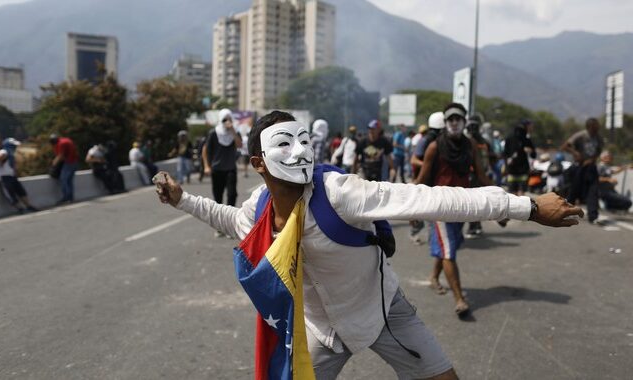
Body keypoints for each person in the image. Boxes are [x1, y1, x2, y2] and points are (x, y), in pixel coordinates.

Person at [155, 110, 582, 380]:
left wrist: (526, 205)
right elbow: (233, 222)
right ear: (258, 164)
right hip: (319, 332)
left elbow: (430, 198)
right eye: (285, 144)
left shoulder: (340, 191)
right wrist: (182, 199)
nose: (300, 150)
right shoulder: (260, 207)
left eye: (304, 140)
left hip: (381, 312)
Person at [415, 103, 493, 316]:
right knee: (449, 251)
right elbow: (422, 179)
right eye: (451, 119)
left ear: (464, 122)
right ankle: (459, 299)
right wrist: (411, 208)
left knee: (449, 246)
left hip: (462, 206)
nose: (455, 123)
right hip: (440, 206)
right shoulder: (434, 147)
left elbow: (481, 175)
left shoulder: (470, 146)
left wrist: (502, 202)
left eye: (459, 119)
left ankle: (433, 278)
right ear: (446, 123)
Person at [202, 108, 242, 238]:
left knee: (232, 195)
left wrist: (232, 130)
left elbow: (240, 145)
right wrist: (207, 166)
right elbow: (205, 150)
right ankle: (219, 227)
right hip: (217, 169)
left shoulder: (234, 132)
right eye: (224, 119)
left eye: (229, 119)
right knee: (218, 199)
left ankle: (229, 226)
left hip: (230, 168)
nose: (227, 122)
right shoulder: (214, 133)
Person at [409, 113, 445, 244]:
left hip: (435, 181)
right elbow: (413, 159)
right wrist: (427, 164)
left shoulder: (442, 140)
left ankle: (433, 240)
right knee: (423, 211)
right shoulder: (426, 140)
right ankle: (418, 234)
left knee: (432, 213)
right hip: (423, 180)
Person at [561, 118, 604, 223]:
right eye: (594, 128)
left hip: (591, 167)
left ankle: (593, 216)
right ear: (589, 127)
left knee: (593, 191)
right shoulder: (580, 135)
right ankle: (564, 213)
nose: (596, 130)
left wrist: (592, 159)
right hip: (580, 167)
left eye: (597, 128)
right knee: (574, 191)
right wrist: (575, 153)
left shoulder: (598, 137)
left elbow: (599, 150)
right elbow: (565, 146)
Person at [465, 115, 495, 237]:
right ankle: (476, 225)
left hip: (473, 175)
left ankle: (473, 227)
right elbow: (492, 157)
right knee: (479, 201)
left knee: (473, 202)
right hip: (483, 174)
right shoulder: (484, 141)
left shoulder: (467, 142)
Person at [0, 138, 38, 214]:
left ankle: (28, 206)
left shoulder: (10, 153)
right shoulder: (3, 151)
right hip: (4, 177)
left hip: (12, 176)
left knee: (21, 191)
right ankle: (20, 209)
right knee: (10, 193)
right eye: (13, 145)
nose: (15, 147)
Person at [503, 119, 536, 195]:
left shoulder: (509, 137)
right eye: (530, 126)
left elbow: (504, 154)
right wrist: (530, 151)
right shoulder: (526, 139)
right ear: (526, 127)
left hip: (512, 170)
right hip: (521, 171)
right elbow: (534, 155)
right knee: (520, 196)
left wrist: (506, 166)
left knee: (512, 196)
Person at [49, 133, 78, 204]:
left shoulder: (61, 143)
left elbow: (60, 156)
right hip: (74, 162)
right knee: (69, 181)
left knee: (63, 179)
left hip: (69, 163)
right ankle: (71, 198)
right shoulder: (66, 140)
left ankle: (66, 197)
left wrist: (53, 165)